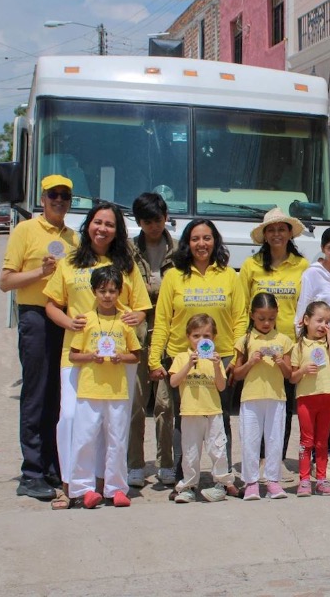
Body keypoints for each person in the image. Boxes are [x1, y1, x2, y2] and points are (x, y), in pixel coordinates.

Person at [44, 201, 151, 510]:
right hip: (77, 353)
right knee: (71, 418)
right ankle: (71, 484)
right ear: (88, 224)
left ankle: (105, 485)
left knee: (112, 423)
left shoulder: (127, 265)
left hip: (118, 356)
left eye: (110, 224)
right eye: (98, 222)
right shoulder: (71, 262)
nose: (102, 228)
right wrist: (69, 322)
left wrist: (136, 319)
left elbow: (142, 307)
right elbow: (51, 304)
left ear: (117, 231)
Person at [148, 219, 246, 494]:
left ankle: (222, 479)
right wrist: (155, 360)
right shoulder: (174, 276)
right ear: (187, 243)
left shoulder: (229, 275)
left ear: (215, 241)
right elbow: (163, 320)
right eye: (195, 239)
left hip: (221, 357)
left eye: (207, 238)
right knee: (184, 418)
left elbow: (240, 319)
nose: (201, 244)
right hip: (181, 358)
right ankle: (184, 481)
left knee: (220, 418)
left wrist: (237, 355)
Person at [0, 174, 79, 501]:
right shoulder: (25, 230)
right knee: (36, 395)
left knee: (61, 397)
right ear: (43, 199)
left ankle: (53, 466)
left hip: (64, 317)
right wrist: (40, 273)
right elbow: (5, 282)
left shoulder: (74, 237)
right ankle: (31, 472)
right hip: (35, 316)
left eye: (65, 196)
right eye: (53, 195)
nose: (59, 200)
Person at [240, 207, 309, 472]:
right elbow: (242, 306)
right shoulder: (251, 265)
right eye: (271, 229)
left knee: (284, 403)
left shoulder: (302, 265)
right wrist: (243, 343)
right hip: (257, 344)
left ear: (290, 233)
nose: (277, 234)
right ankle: (256, 459)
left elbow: (306, 305)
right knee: (257, 403)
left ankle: (275, 459)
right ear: (265, 235)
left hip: (288, 345)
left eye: (282, 229)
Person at [68, 266, 141, 508]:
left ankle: (116, 488)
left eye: (112, 291)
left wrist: (121, 357)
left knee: (117, 440)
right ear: (94, 292)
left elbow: (136, 355)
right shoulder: (86, 320)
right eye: (102, 291)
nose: (107, 296)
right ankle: (83, 488)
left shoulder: (125, 320)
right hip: (89, 390)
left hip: (117, 390)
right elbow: (73, 356)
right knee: (85, 439)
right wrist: (91, 356)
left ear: (119, 292)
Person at [127, 192, 178, 489]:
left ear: (166, 216)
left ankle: (166, 462)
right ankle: (134, 463)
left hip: (168, 331)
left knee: (165, 403)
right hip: (137, 332)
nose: (154, 226)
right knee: (135, 401)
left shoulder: (179, 250)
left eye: (158, 220)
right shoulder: (129, 251)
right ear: (139, 222)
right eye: (147, 222)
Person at [294, 226, 330, 479]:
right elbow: (303, 311)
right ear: (323, 249)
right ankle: (322, 454)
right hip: (318, 339)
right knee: (320, 392)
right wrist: (303, 343)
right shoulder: (312, 274)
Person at [232, 292, 294, 500]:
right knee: (250, 439)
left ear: (277, 315)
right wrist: (251, 362)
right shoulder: (245, 340)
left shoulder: (284, 340)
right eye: (261, 318)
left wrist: (280, 361)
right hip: (250, 398)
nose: (267, 323)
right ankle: (251, 482)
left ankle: (273, 481)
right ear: (252, 316)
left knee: (275, 439)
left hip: (276, 397)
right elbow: (236, 374)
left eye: (271, 318)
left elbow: (289, 374)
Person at [169, 314, 235, 503]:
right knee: (190, 452)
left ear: (214, 337)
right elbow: (173, 381)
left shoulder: (216, 359)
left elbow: (221, 386)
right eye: (196, 336)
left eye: (206, 336)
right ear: (188, 337)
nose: (201, 340)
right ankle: (188, 487)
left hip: (212, 412)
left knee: (218, 450)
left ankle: (220, 485)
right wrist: (189, 364)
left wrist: (216, 366)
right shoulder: (182, 357)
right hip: (190, 413)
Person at [290, 301, 330, 496]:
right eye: (319, 320)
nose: (323, 325)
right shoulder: (299, 346)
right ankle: (304, 480)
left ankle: (321, 479)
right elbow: (292, 377)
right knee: (307, 441)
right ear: (306, 320)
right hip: (306, 399)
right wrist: (303, 370)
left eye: (327, 322)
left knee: (322, 441)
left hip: (327, 397)